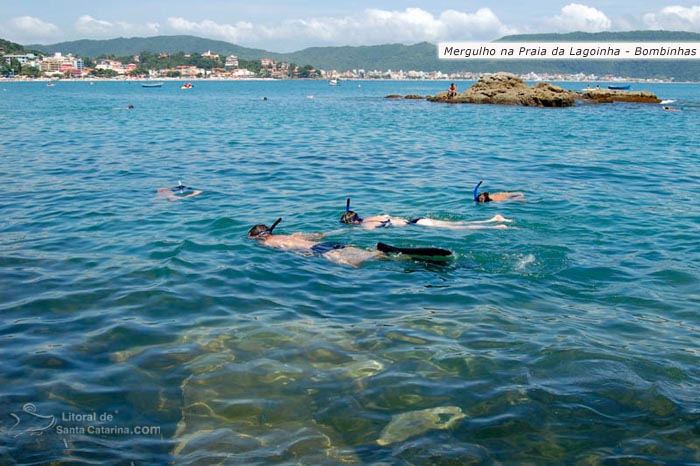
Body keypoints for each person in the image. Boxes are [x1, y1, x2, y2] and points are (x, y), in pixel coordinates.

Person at [248, 218, 451, 267]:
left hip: (320, 251)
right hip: (333, 243)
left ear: (257, 236)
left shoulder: (269, 244)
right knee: (368, 254)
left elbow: (290, 251)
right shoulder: (294, 234)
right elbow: (319, 235)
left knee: (354, 266)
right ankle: (393, 253)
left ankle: (399, 258)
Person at [340, 199, 512, 230]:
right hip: (417, 220)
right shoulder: (371, 217)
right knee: (457, 225)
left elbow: (375, 229)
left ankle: (498, 226)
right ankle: (493, 220)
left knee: (459, 228)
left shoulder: (367, 225)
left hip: (418, 224)